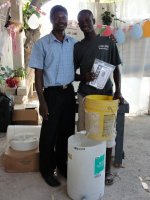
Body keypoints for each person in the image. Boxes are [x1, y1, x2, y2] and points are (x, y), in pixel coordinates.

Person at [74, 9, 124, 185]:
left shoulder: (107, 41)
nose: (85, 23)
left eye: (87, 20)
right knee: (85, 132)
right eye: (81, 21)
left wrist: (118, 91)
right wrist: (83, 77)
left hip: (106, 97)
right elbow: (72, 74)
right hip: (86, 97)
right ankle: (87, 164)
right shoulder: (78, 47)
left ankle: (107, 170)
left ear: (93, 20)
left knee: (108, 133)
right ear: (79, 25)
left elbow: (116, 67)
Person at [29, 5, 76, 187]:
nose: (61, 20)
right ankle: (47, 170)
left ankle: (62, 166)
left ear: (67, 19)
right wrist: (42, 102)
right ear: (51, 20)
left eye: (64, 17)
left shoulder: (73, 43)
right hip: (52, 94)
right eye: (57, 17)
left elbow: (76, 68)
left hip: (68, 92)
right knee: (49, 134)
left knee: (66, 133)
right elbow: (38, 75)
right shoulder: (42, 44)